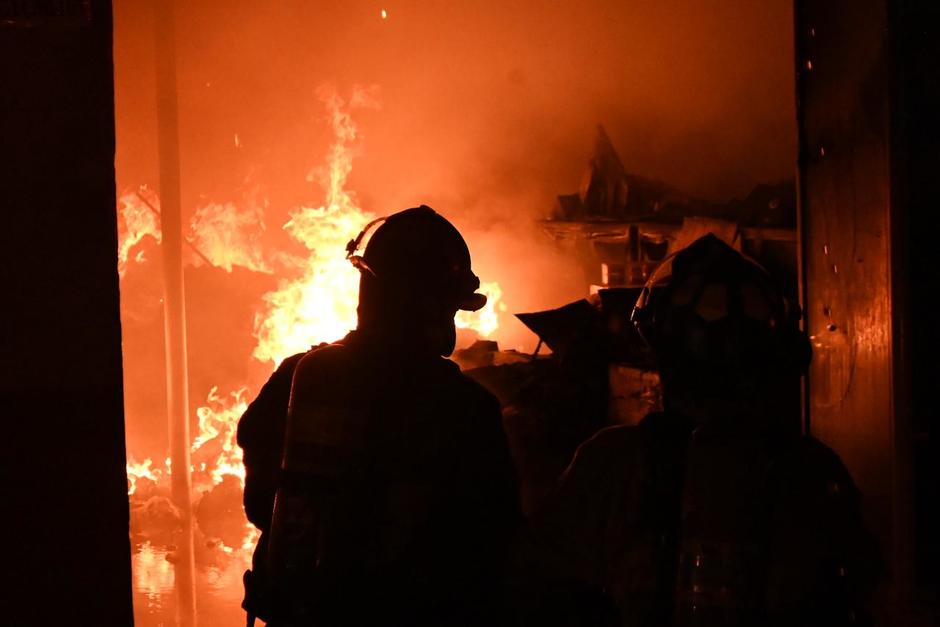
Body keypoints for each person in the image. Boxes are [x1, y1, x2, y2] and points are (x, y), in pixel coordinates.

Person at [520, 234, 881, 627]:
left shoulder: (611, 462)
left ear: (657, 350)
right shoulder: (811, 468)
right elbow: (858, 587)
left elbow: (544, 584)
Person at [237, 205, 520, 626]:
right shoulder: (465, 407)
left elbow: (262, 502)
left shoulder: (297, 376)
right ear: (438, 304)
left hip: (302, 611)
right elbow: (492, 542)